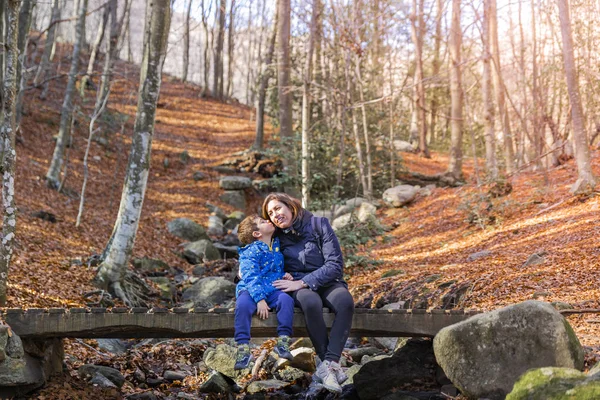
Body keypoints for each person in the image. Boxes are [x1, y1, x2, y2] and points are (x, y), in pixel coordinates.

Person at [262, 193, 354, 393]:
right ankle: (326, 366)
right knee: (311, 302)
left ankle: (329, 364)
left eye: (278, 208)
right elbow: (260, 259)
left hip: (327, 281)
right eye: (270, 213)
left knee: (345, 302)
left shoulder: (318, 224)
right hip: (295, 283)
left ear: (290, 206)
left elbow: (335, 265)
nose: (275, 215)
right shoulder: (275, 236)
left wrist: (304, 281)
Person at [233, 214, 295, 370]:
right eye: (262, 222)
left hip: (272, 289)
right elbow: (250, 276)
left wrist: (284, 275)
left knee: (286, 300)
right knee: (242, 305)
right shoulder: (250, 251)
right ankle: (243, 348)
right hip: (251, 289)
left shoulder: (275, 247)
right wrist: (260, 299)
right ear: (257, 234)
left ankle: (283, 341)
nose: (268, 220)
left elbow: (272, 271)